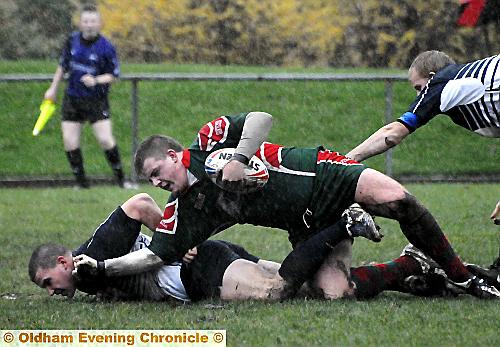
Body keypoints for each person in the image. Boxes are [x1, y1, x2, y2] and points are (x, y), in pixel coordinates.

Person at [75, 111, 500, 299]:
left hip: (321, 174)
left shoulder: (207, 142)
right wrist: (103, 267)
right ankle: (411, 265)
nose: (156, 182)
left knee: (397, 199)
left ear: (172, 155)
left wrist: (239, 159)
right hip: (304, 223)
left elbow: (260, 119)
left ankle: (463, 278)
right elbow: (153, 254)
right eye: (150, 181)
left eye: (157, 171)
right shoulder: (184, 212)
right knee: (335, 295)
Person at [29, 193, 461, 301]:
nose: (51, 289)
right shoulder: (88, 273)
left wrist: (175, 242)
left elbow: (140, 204)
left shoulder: (92, 255)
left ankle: (339, 223)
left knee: (275, 293)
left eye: (49, 280)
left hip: (202, 270)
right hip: (213, 259)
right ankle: (408, 268)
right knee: (326, 290)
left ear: (65, 261)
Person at [346, 50, 499, 162]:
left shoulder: (440, 83)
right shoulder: (464, 89)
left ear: (432, 77)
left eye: (419, 88)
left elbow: (392, 134)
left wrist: (345, 161)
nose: (419, 97)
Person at [43, 4, 127, 189]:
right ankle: (82, 184)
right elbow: (62, 66)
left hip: (96, 100)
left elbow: (113, 75)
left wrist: (96, 80)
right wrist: (52, 89)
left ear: (99, 24)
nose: (89, 25)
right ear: (80, 23)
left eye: (93, 21)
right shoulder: (72, 41)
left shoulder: (106, 47)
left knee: (105, 139)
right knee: (70, 141)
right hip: (73, 98)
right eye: (86, 21)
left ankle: (122, 180)